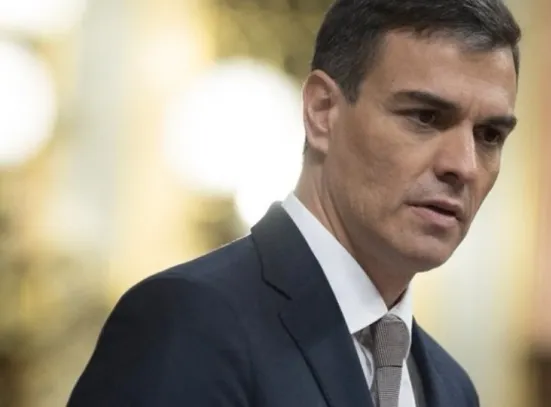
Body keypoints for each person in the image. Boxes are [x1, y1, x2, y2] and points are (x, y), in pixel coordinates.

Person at [67, 0, 521, 406]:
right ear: (322, 111)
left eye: (489, 136)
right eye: (425, 117)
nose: (463, 165)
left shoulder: (452, 387)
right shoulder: (190, 323)